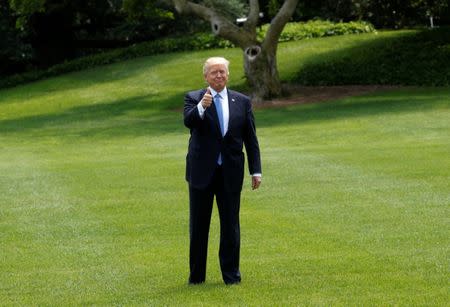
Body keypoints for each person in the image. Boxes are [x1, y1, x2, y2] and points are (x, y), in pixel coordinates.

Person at [183, 57, 262, 285]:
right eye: (214, 72)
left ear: (228, 74)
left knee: (230, 226)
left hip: (230, 172)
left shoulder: (242, 101)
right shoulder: (194, 98)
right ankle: (197, 277)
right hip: (201, 173)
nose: (219, 76)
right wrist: (202, 107)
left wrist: (255, 170)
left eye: (222, 72)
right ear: (206, 76)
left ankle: (231, 276)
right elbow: (188, 122)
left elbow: (251, 138)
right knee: (198, 227)